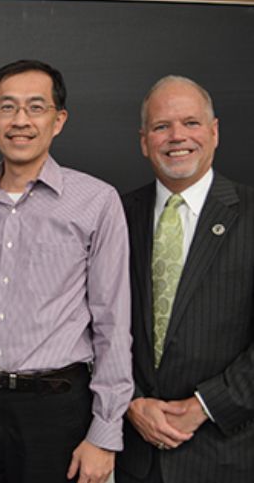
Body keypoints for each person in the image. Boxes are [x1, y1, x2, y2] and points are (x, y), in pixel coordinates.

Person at [0, 59, 133, 483]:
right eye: (7, 108)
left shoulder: (97, 202)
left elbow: (113, 325)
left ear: (58, 120)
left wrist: (105, 433)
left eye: (36, 107)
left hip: (55, 413)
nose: (20, 120)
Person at [116, 76, 254, 482]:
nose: (177, 136)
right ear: (144, 141)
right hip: (136, 456)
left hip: (227, 454)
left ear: (213, 132)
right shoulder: (117, 215)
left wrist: (204, 406)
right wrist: (131, 401)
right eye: (161, 126)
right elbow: (94, 323)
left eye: (191, 123)